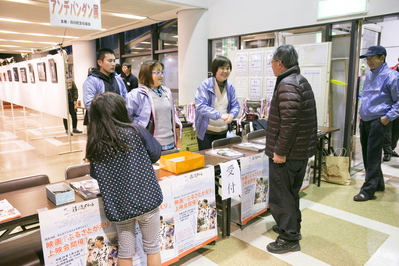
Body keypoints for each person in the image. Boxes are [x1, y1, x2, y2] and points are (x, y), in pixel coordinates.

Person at [86, 92, 163, 266]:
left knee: (125, 251)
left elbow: (95, 174)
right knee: (152, 248)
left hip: (119, 205)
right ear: (120, 110)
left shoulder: (95, 142)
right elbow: (155, 154)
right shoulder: (135, 130)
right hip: (146, 199)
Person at [265, 44, 317, 254]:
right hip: (299, 152)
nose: (271, 66)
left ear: (279, 63)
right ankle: (291, 227)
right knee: (291, 192)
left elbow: (289, 123)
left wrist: (280, 151)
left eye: (272, 62)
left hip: (288, 154)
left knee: (282, 195)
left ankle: (289, 238)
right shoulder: (300, 81)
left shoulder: (287, 84)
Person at [355, 45, 399, 201]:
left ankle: (368, 190)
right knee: (367, 155)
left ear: (383, 58)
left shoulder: (392, 76)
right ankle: (378, 183)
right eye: (367, 58)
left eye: (373, 58)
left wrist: (387, 118)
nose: (369, 61)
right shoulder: (369, 76)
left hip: (378, 121)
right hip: (366, 120)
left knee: (373, 155)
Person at [126, 60, 180, 151]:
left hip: (170, 143)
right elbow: (128, 119)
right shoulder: (137, 94)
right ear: (147, 74)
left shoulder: (167, 92)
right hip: (151, 145)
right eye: (157, 72)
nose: (161, 75)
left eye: (162, 72)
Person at [194, 56, 240, 150]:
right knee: (208, 162)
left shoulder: (230, 86)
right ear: (215, 70)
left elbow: (235, 105)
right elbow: (201, 106)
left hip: (223, 131)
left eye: (227, 68)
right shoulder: (205, 85)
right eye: (222, 68)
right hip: (206, 132)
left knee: (222, 160)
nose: (225, 71)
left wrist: (232, 114)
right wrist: (219, 115)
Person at [83, 48, 127, 117]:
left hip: (119, 120)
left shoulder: (118, 79)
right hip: (101, 123)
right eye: (110, 61)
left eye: (114, 61)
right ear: (100, 62)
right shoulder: (91, 81)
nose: (113, 64)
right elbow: (90, 104)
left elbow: (125, 98)